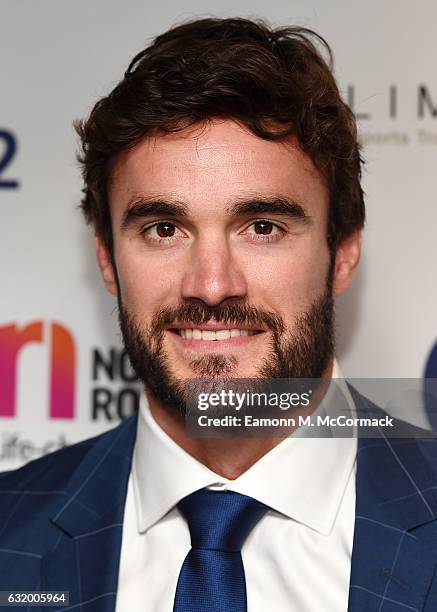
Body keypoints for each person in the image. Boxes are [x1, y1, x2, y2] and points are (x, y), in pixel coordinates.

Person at [1, 17, 437, 612]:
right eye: (163, 228)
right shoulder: (9, 536)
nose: (211, 285)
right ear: (107, 257)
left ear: (343, 253)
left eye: (262, 227)